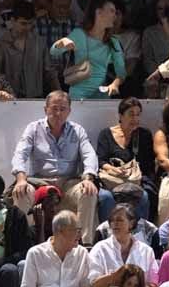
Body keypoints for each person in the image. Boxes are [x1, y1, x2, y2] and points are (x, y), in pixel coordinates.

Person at [11, 92, 102, 245]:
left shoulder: (77, 130)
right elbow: (20, 153)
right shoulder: (33, 129)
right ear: (45, 109)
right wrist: (20, 179)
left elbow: (89, 155)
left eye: (63, 109)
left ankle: (85, 244)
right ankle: (22, 245)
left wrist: (88, 178)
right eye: (54, 108)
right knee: (21, 192)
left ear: (69, 111)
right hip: (40, 183)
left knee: (89, 191)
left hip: (69, 184)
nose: (58, 113)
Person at [51, 0, 126, 101]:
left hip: (101, 95)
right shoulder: (79, 34)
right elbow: (54, 52)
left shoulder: (113, 41)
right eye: (112, 11)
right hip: (78, 95)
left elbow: (121, 71)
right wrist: (61, 42)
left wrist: (115, 84)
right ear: (99, 12)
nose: (115, 16)